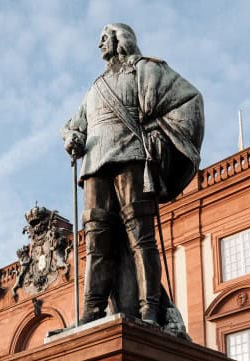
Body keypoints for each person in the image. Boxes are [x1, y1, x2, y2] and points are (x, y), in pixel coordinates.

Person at [61, 23, 204, 325]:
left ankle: (150, 308)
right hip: (94, 165)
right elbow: (75, 124)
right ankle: (92, 310)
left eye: (105, 36)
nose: (100, 42)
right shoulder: (95, 88)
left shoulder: (145, 71)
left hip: (132, 159)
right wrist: (72, 136)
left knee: (141, 237)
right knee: (97, 241)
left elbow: (190, 99)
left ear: (120, 39)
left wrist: (155, 134)